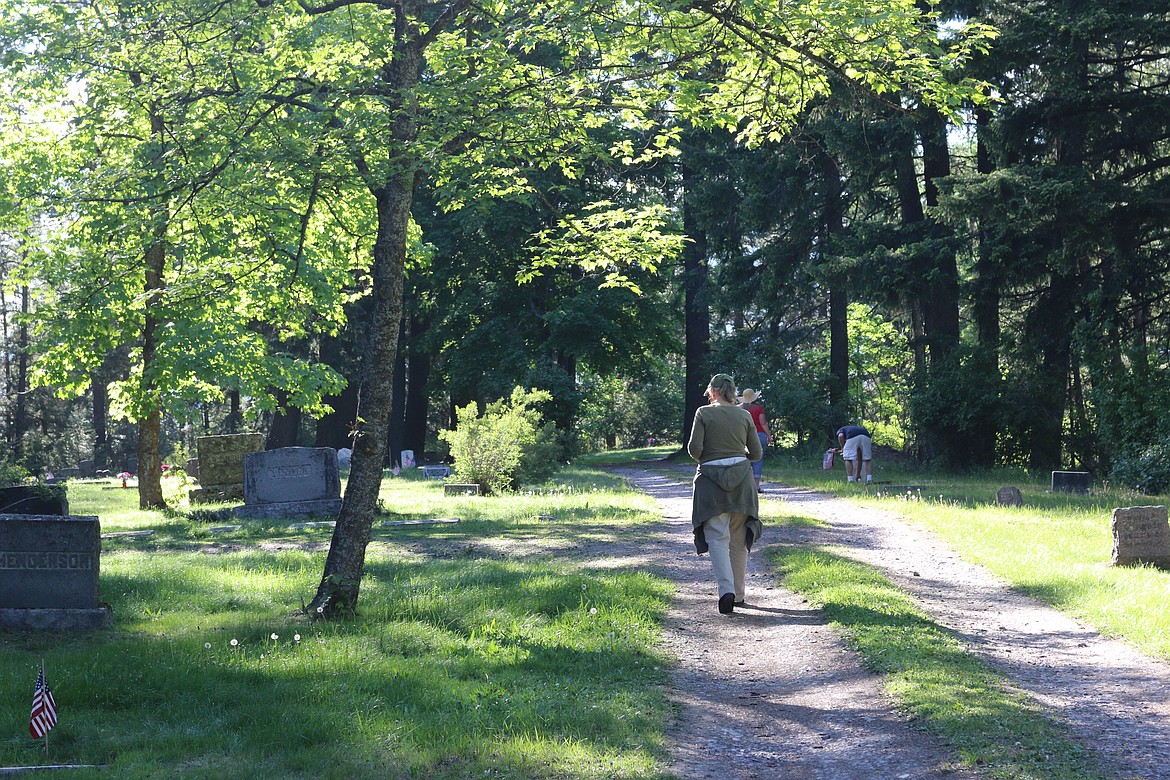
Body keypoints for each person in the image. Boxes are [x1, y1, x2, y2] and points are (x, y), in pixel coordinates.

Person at [688, 373, 764, 614]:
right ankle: (739, 595)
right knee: (739, 540)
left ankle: (726, 591)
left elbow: (694, 448)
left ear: (712, 392)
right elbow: (756, 453)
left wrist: (709, 459)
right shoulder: (744, 415)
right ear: (733, 392)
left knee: (717, 538)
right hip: (742, 483)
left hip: (710, 483)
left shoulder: (703, 412)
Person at [738, 388, 772, 492]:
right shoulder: (758, 408)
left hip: (743, 435)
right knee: (758, 459)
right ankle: (756, 485)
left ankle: (743, 485)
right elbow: (763, 423)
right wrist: (769, 436)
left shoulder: (738, 409)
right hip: (759, 434)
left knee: (743, 459)